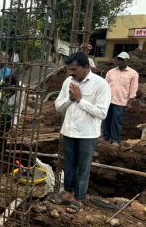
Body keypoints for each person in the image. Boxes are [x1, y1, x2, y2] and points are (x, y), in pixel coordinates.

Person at [54, 51, 111, 214]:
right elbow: (58, 107)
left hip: (87, 134)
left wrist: (80, 100)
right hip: (69, 131)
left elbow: (102, 113)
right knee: (69, 165)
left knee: (83, 167)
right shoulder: (68, 82)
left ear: (86, 67)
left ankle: (78, 199)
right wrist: (70, 99)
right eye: (69, 70)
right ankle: (67, 193)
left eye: (74, 69)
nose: (71, 73)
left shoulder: (100, 84)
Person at [103, 52, 139, 146]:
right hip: (108, 100)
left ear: (127, 61)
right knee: (107, 119)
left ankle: (115, 140)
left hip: (121, 101)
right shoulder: (111, 72)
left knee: (117, 121)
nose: (119, 61)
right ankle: (106, 138)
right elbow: (104, 85)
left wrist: (130, 102)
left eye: (122, 59)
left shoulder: (133, 73)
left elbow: (133, 88)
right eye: (118, 59)